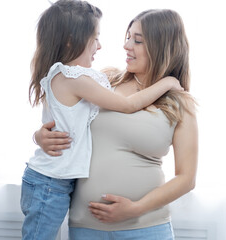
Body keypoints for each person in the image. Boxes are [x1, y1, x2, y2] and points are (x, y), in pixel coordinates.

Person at [21, 1, 183, 239]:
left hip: (146, 226)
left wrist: (136, 208)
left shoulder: (179, 102)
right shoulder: (103, 79)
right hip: (81, 219)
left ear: (161, 46)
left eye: (137, 40)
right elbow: (62, 116)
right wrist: (38, 136)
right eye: (128, 37)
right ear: (71, 39)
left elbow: (187, 178)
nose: (125, 45)